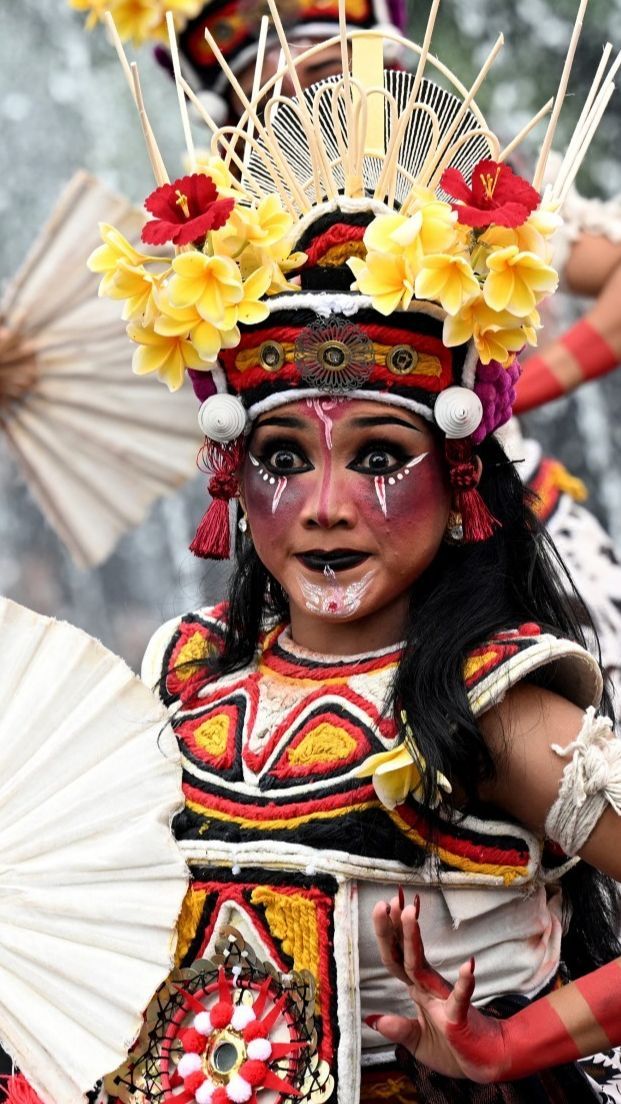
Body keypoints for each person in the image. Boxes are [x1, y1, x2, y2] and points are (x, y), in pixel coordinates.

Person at [53, 4, 621, 1103]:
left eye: (378, 457)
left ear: (460, 472)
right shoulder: (180, 679)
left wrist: (509, 1046)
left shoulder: (488, 704)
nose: (321, 507)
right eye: (277, 454)